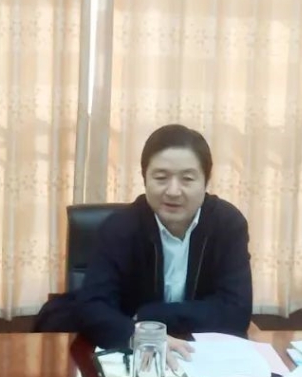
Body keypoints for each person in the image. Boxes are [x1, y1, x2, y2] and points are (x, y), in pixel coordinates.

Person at [69, 124, 253, 362]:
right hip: (134, 357)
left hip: (201, 357)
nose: (173, 191)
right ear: (144, 178)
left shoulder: (227, 225)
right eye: (161, 178)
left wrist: (149, 316)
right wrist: (139, 336)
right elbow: (92, 307)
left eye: (187, 179)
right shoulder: (119, 227)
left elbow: (236, 311)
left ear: (206, 181)